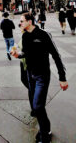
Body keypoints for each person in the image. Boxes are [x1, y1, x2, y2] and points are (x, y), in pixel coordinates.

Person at [11, 12, 68, 143]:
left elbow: (56, 56)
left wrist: (62, 77)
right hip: (30, 74)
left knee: (37, 106)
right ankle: (46, 130)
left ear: (30, 21)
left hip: (42, 75)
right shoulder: (25, 36)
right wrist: (18, 55)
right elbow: (26, 53)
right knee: (37, 106)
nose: (20, 24)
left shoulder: (43, 35)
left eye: (22, 21)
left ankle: (45, 137)